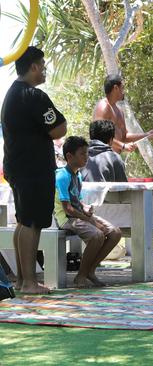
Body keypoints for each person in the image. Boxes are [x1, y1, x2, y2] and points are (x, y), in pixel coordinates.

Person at [1, 46, 67, 294]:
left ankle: (22, 280)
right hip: (33, 168)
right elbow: (58, 130)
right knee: (32, 223)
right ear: (34, 66)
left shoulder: (11, 93)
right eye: (44, 65)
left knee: (23, 222)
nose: (46, 70)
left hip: (17, 166)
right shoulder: (33, 95)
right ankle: (28, 281)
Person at [54, 137, 122, 287]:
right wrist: (90, 220)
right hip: (66, 218)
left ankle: (90, 270)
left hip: (78, 215)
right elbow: (67, 208)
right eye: (82, 154)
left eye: (87, 153)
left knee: (114, 232)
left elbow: (77, 200)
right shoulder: (62, 176)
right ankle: (81, 276)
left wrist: (85, 207)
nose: (87, 157)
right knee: (97, 235)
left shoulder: (77, 174)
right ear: (69, 157)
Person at [92, 74, 153, 153]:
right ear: (116, 88)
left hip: (114, 159)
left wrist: (147, 135)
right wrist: (123, 146)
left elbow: (124, 137)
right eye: (122, 88)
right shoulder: (103, 107)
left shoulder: (120, 112)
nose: (124, 91)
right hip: (101, 160)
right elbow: (100, 136)